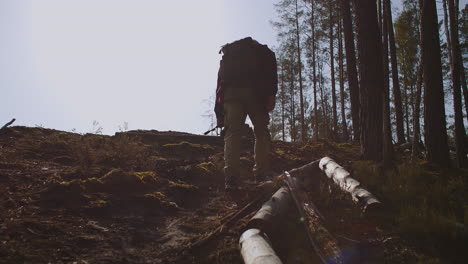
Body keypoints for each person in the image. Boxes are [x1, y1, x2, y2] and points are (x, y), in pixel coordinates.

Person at [215, 37, 278, 190]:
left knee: (232, 134)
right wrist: (271, 95)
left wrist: (219, 112)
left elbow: (219, 85)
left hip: (231, 96)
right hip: (256, 94)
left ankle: (231, 178)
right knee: (261, 133)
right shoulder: (263, 52)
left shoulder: (229, 55)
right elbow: (271, 74)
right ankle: (261, 174)